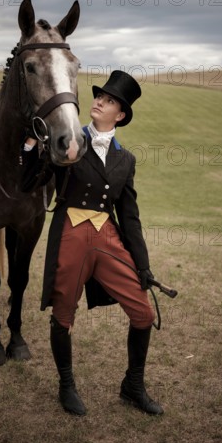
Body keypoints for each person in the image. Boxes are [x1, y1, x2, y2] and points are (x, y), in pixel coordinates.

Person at [20, 70, 163, 416]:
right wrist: (31, 146)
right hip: (70, 231)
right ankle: (66, 385)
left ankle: (133, 385)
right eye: (99, 96)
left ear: (122, 114)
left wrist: (142, 265)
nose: (99, 101)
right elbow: (29, 182)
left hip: (107, 237)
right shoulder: (69, 138)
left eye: (109, 100)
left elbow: (129, 216)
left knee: (144, 313)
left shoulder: (125, 160)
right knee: (63, 314)